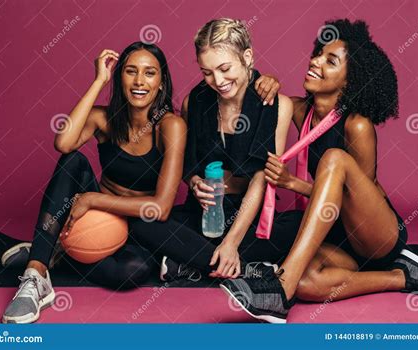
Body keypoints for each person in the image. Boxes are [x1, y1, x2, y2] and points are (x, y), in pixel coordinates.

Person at [221, 19, 418, 324]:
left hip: (375, 233)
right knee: (307, 283)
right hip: (339, 238)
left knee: (334, 158)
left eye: (330, 60)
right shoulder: (299, 110)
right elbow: (262, 101)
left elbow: (352, 200)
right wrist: (266, 80)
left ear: (349, 81)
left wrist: (292, 182)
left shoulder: (357, 125)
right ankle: (402, 275)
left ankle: (280, 289)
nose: (316, 61)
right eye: (318, 53)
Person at [1, 42, 187, 323]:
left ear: (161, 83)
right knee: (72, 160)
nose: (139, 81)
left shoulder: (171, 126)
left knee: (133, 271)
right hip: (98, 217)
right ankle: (36, 274)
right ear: (119, 78)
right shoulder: (104, 119)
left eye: (149, 73)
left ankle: (56, 252)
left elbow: (161, 208)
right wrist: (99, 80)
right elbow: (63, 143)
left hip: (139, 224)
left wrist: (92, 199)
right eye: (130, 71)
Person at [128, 18, 304, 282]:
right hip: (203, 217)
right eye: (206, 72)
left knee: (307, 225)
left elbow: (261, 178)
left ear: (247, 56)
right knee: (141, 220)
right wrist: (195, 181)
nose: (217, 81)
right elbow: (186, 162)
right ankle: (245, 269)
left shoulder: (277, 104)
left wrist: (232, 242)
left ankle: (195, 263)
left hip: (248, 218)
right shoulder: (195, 101)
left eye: (224, 68)